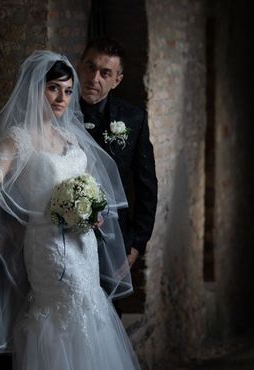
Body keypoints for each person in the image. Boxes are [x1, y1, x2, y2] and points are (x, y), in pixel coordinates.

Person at [0, 50, 165, 370]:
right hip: (47, 246)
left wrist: (90, 212)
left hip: (82, 244)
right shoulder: (19, 137)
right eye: (53, 89)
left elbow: (89, 186)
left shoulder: (71, 138)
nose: (61, 98)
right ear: (36, 90)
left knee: (89, 309)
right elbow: (0, 170)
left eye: (67, 91)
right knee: (57, 316)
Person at [78, 37, 158, 270]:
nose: (94, 79)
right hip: (61, 231)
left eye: (105, 73)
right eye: (90, 67)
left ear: (117, 80)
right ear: (79, 66)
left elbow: (147, 185)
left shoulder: (133, 118)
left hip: (113, 237)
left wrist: (137, 244)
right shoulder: (56, 111)